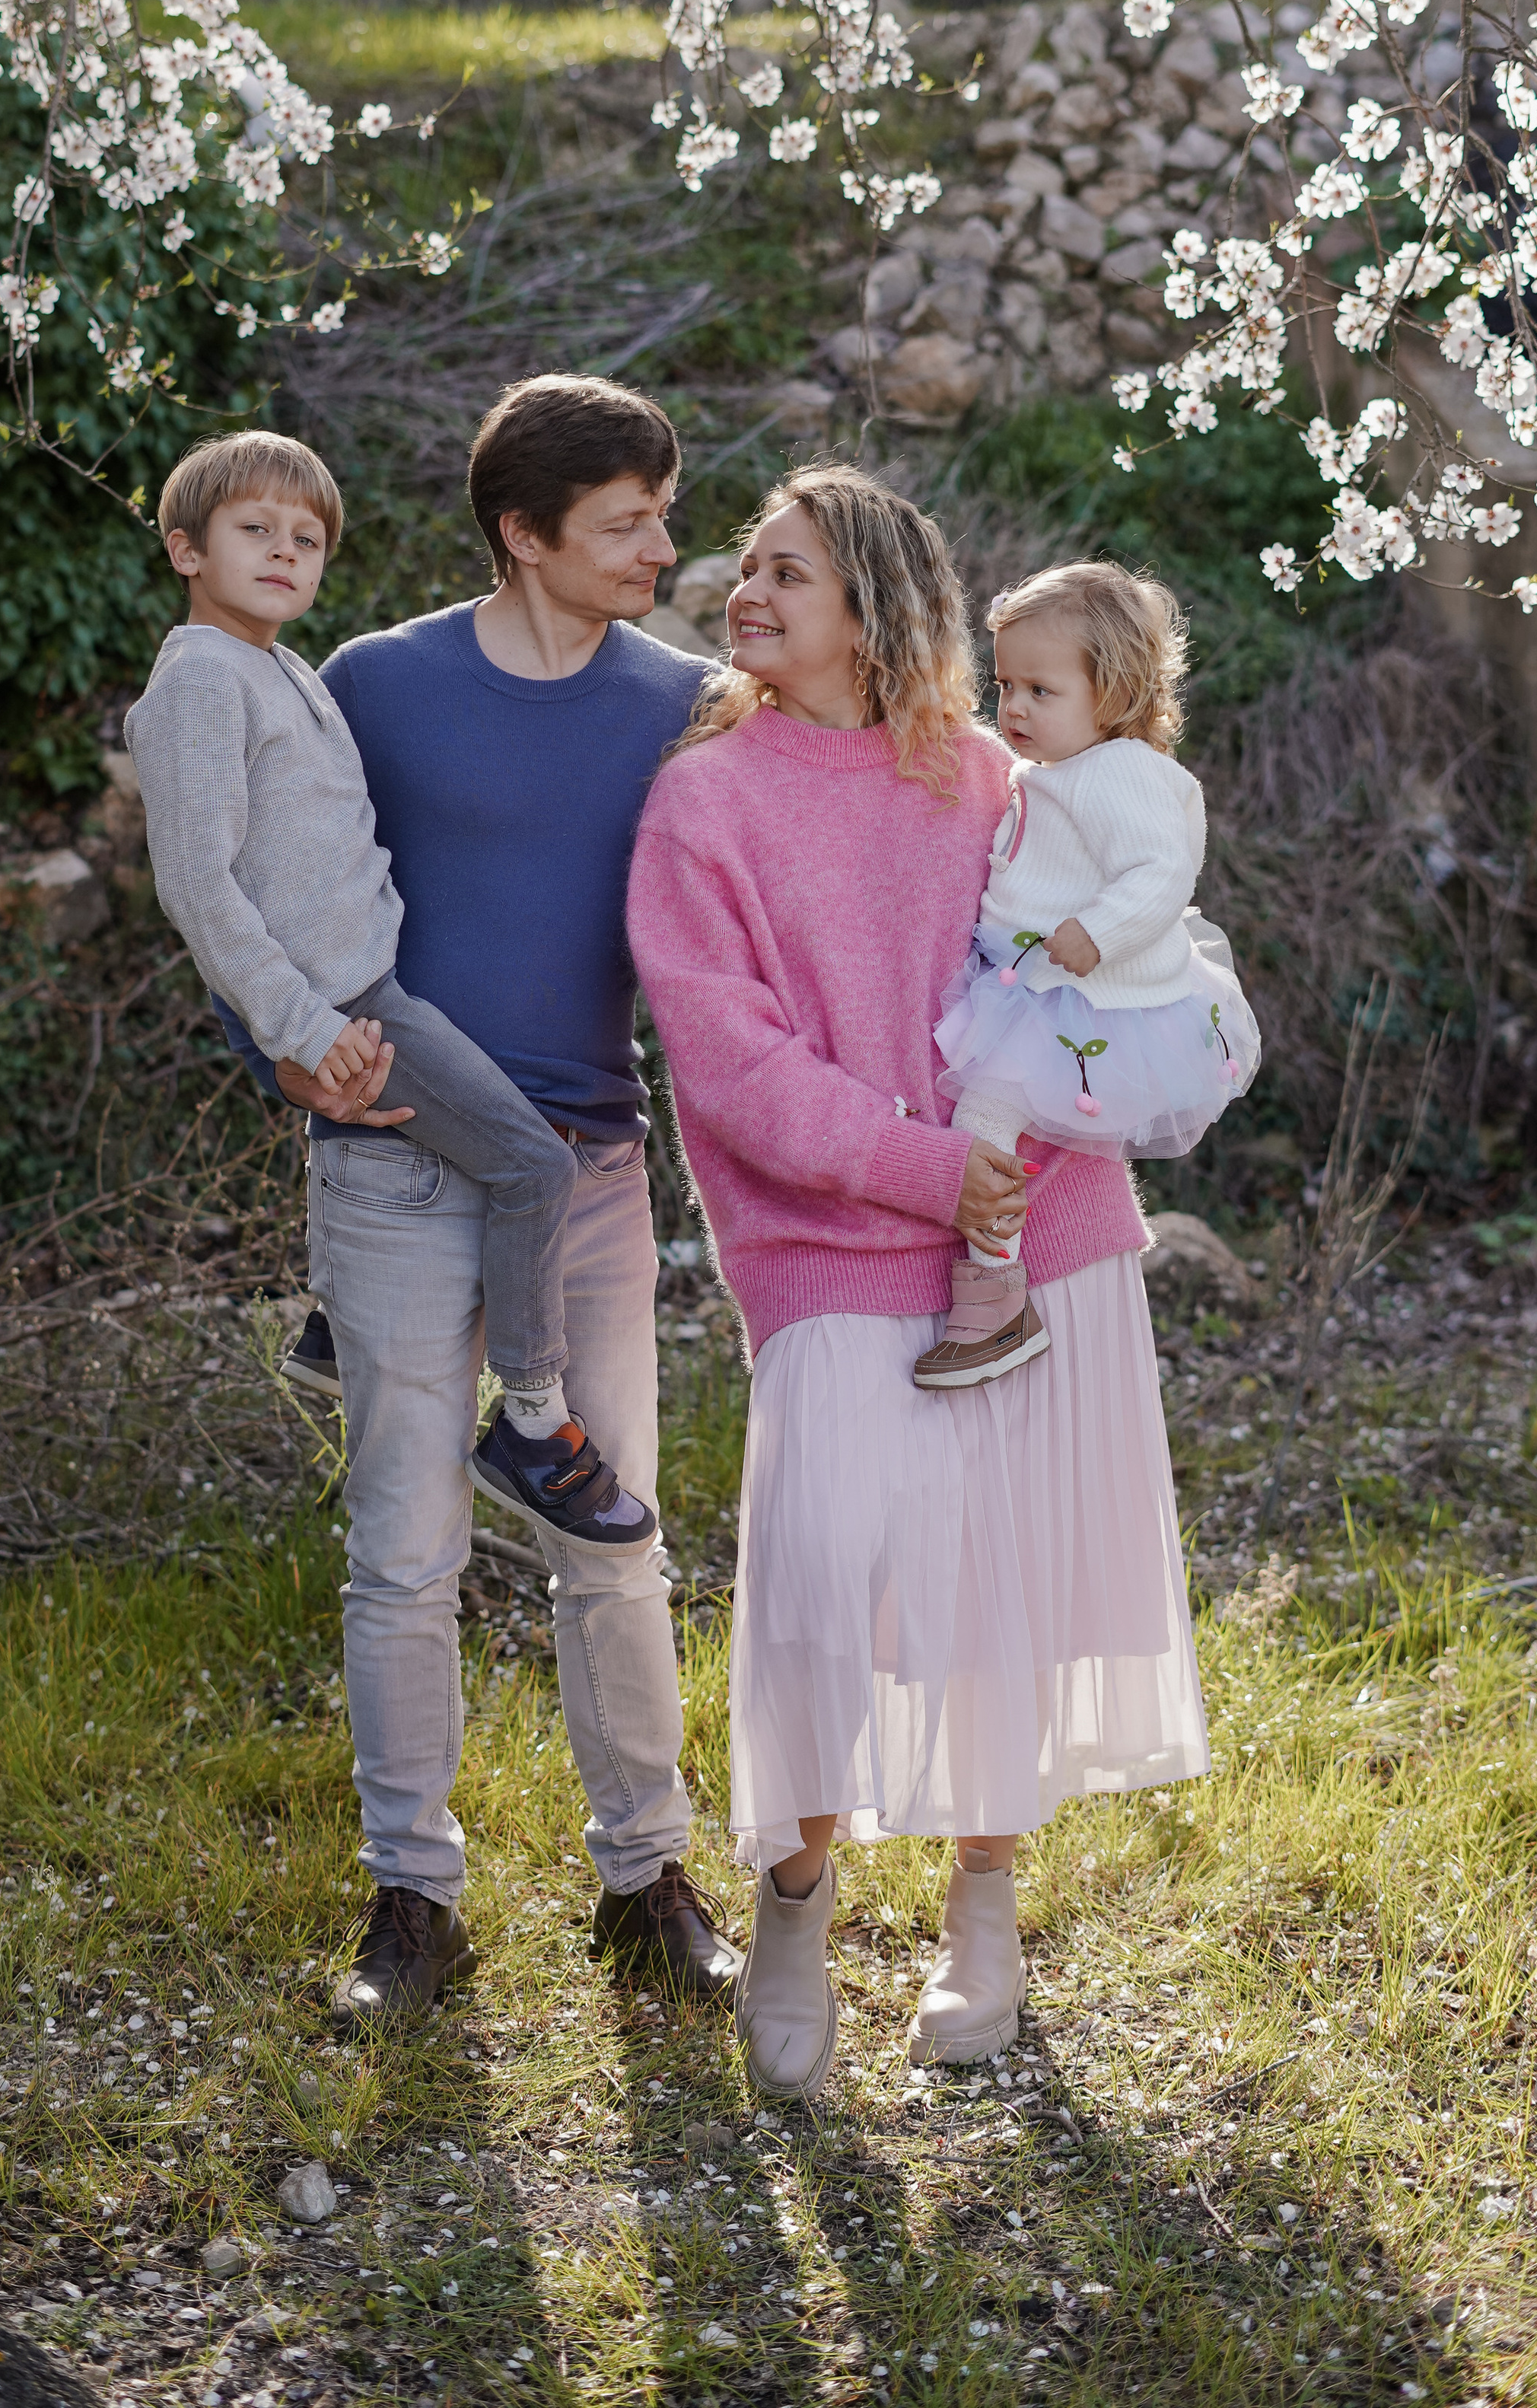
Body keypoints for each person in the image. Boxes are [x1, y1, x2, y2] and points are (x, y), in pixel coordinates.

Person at [626, 464, 1210, 2098]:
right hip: (830, 1245)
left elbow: (1122, 935)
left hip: (1041, 1234)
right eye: (742, 567)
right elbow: (731, 1070)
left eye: (785, 570)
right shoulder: (706, 803)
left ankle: (982, 1907)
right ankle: (798, 1900)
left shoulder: (991, 775)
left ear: (876, 603)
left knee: (999, 1589)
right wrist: (915, 1166)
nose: (744, 593)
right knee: (824, 1587)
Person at [211, 376, 742, 2024]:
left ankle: (646, 1880)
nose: (662, 545)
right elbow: (249, 874)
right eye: (626, 523)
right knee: (404, 1554)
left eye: (663, 511)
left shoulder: (688, 701)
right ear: (524, 537)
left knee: (614, 1540)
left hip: (583, 1173)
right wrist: (278, 1059)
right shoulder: (372, 685)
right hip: (384, 1167)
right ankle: (411, 1906)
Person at [128, 430, 651, 1546]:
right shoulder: (197, 686)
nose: (284, 553)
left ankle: (335, 1331)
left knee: (489, 1155)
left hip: (369, 986)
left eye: (307, 538)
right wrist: (303, 1032)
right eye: (253, 531)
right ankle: (532, 1420)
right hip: (355, 1006)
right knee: (530, 1168)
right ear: (184, 548)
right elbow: (198, 887)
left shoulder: (281, 671)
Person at [913, 559, 1261, 1390]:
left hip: (1081, 993)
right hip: (1027, 982)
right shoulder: (1048, 769)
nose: (1016, 709)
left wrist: (1095, 933)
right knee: (991, 1115)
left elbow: (1158, 871)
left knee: (985, 1116)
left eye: (1041, 690)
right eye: (1006, 686)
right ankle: (1005, 1272)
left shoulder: (1123, 772)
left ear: (1111, 695)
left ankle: (996, 1290)